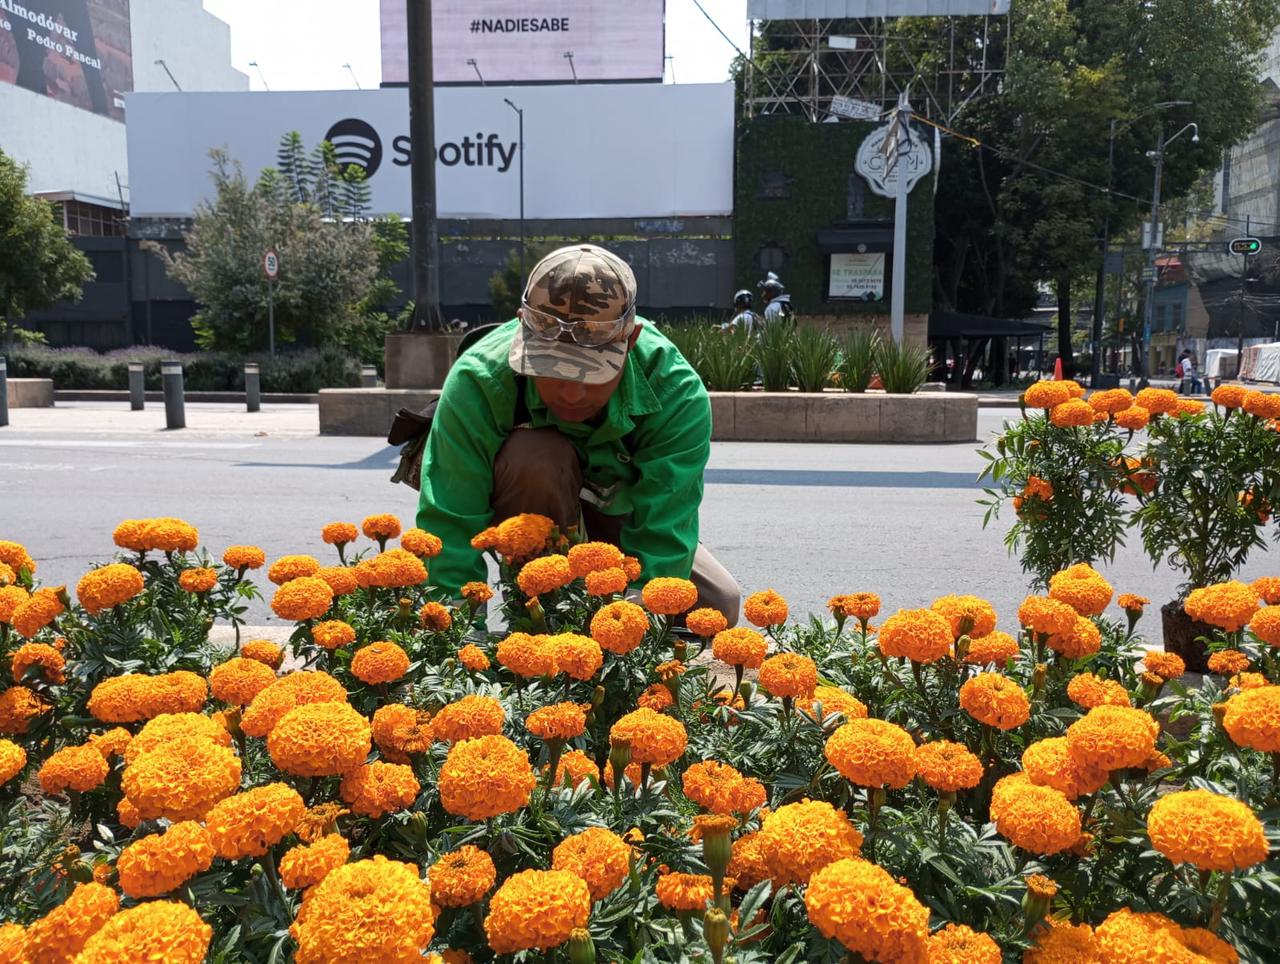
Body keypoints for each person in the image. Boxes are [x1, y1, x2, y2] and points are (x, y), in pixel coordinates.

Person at [414, 243, 741, 623]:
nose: (571, 392)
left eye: (592, 375)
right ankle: (542, 613)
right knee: (535, 458)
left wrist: (631, 633)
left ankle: (585, 616)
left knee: (716, 604)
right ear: (522, 327)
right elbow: (451, 521)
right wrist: (456, 633)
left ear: (630, 340)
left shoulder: (675, 391)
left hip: (623, 514)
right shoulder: (480, 379)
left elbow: (663, 532)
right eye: (551, 370)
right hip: (527, 502)